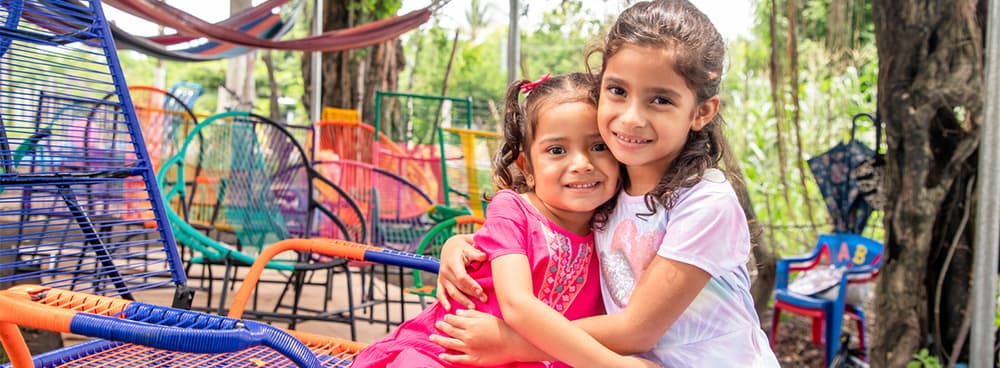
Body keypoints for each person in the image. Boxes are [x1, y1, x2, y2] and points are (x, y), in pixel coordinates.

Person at [429, 1, 780, 367]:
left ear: (701, 111)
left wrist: (514, 343)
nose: (631, 118)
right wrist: (460, 246)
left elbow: (635, 330)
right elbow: (540, 230)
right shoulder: (610, 183)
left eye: (660, 99)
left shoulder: (705, 203)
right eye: (617, 91)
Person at [350, 73, 655, 368]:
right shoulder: (512, 209)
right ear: (528, 166)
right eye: (557, 150)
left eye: (598, 146)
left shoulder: (614, 226)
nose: (581, 164)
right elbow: (517, 306)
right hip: (450, 351)